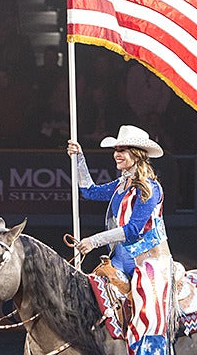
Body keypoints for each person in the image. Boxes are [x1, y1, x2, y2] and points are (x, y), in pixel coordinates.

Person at [66, 125, 173, 355]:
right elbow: (89, 191)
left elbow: (133, 230)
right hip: (120, 261)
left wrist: (93, 241)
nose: (117, 154)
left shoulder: (150, 189)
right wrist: (79, 158)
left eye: (123, 149)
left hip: (148, 263)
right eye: (116, 149)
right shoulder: (121, 185)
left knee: (149, 316)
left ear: (137, 154)